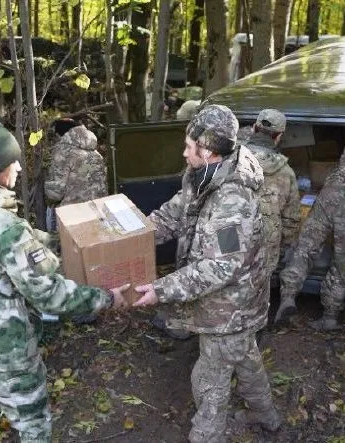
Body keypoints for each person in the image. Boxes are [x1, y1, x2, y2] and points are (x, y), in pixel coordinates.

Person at [0, 119, 128, 442]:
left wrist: (52, 239)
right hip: (2, 348)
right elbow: (49, 295)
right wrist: (106, 299)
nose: (20, 169)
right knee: (33, 425)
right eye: (14, 162)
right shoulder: (7, 229)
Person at [133, 105, 281, 442]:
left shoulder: (233, 203)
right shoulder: (202, 175)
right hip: (232, 311)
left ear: (210, 151)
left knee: (210, 381)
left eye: (189, 147)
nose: (184, 154)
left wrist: (161, 289)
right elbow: (174, 215)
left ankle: (206, 436)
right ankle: (267, 416)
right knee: (245, 358)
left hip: (229, 310)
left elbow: (221, 266)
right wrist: (133, 233)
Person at [275, 129, 345, 330]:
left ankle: (288, 296)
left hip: (332, 191)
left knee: (306, 246)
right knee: (342, 262)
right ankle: (330, 316)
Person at [240, 109, 301, 312]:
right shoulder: (286, 173)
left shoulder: (231, 160)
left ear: (255, 128)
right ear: (279, 136)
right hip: (266, 243)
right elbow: (292, 220)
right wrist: (283, 247)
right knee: (257, 292)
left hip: (229, 236)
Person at [44, 118, 107, 207]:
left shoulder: (63, 153)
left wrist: (45, 185)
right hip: (97, 208)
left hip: (73, 212)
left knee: (50, 211)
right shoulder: (97, 154)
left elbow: (56, 194)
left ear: (60, 134)